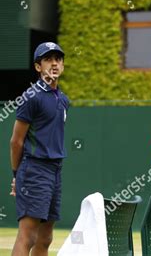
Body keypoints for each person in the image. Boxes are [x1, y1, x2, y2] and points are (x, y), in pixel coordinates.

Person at [10, 42, 69, 255]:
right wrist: (17, 175)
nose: (55, 63)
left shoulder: (63, 99)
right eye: (48, 59)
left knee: (45, 238)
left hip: (55, 170)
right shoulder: (31, 97)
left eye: (58, 59)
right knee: (28, 236)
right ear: (38, 67)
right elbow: (16, 142)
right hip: (34, 169)